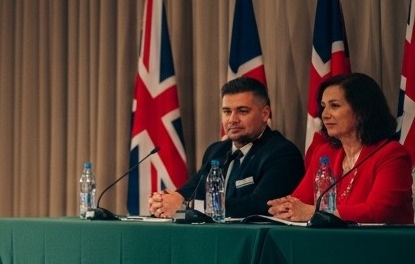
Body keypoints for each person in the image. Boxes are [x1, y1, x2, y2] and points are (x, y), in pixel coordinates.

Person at [268, 72, 415, 224]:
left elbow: (379, 211)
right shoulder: (325, 153)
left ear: (362, 110)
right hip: (334, 237)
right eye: (323, 107)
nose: (324, 115)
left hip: (381, 238)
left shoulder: (392, 154)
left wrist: (315, 213)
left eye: (334, 106)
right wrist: (287, 207)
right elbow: (301, 199)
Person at [148, 77, 304, 218]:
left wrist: (188, 206)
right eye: (227, 111)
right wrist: (165, 201)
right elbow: (191, 190)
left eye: (242, 111)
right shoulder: (216, 151)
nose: (232, 119)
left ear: (265, 114)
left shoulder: (283, 153)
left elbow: (258, 205)